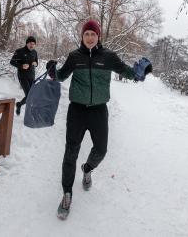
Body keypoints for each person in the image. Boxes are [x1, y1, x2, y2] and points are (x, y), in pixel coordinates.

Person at [46, 20, 152, 220]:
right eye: (86, 34)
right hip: (77, 110)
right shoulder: (74, 56)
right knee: (71, 152)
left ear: (98, 36)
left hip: (99, 111)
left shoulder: (109, 57)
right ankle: (67, 194)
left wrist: (138, 74)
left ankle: (87, 169)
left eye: (93, 34)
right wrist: (53, 72)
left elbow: (127, 71)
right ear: (82, 36)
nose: (89, 37)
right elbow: (61, 76)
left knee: (101, 149)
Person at [10, 36, 38, 115]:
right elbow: (12, 62)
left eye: (33, 44)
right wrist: (21, 66)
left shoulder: (35, 52)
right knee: (29, 95)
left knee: (31, 96)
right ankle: (29, 113)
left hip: (32, 76)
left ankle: (19, 104)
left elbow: (36, 63)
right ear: (27, 43)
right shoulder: (19, 51)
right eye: (30, 43)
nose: (32, 45)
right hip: (23, 76)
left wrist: (35, 64)